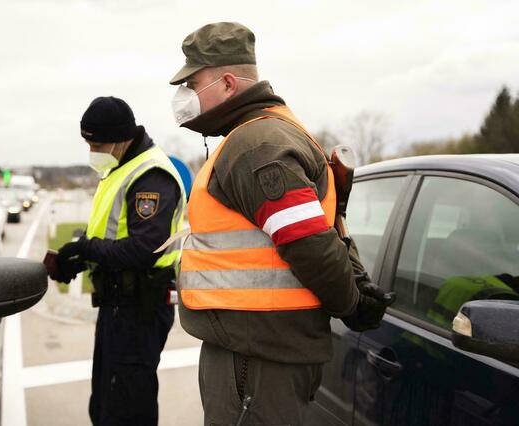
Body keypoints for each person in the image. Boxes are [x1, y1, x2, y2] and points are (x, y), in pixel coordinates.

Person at [169, 22, 392, 425]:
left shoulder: (258, 145)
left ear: (228, 83)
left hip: (255, 362)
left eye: (192, 83)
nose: (184, 96)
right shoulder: (258, 136)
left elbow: (308, 242)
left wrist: (352, 304)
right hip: (255, 351)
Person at [49, 96, 185, 426]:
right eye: (88, 143)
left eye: (97, 143)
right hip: (117, 306)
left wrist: (88, 249)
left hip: (140, 308)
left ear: (122, 137)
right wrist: (79, 258)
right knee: (106, 405)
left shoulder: (151, 176)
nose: (93, 150)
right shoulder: (119, 168)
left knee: (127, 409)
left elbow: (143, 250)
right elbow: (112, 236)